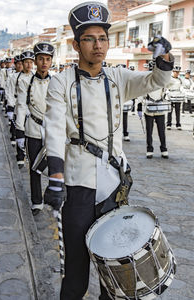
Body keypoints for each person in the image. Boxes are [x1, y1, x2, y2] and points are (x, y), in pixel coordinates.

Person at [43, 2, 174, 299]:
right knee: (76, 273)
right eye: (89, 39)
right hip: (77, 187)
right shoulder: (60, 83)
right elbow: (52, 130)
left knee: (114, 271)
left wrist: (164, 60)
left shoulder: (118, 78)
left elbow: (153, 81)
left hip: (115, 188)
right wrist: (56, 177)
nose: (98, 46)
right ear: (77, 45)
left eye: (102, 38)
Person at [16, 42, 54, 216]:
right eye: (40, 59)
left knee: (55, 166)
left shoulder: (57, 82)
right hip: (33, 128)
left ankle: (55, 196)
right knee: (34, 168)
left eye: (47, 59)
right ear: (36, 61)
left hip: (53, 130)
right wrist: (19, 129)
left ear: (51, 61)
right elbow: (22, 105)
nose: (44, 62)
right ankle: (37, 201)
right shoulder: (27, 82)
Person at [15, 50, 35, 168]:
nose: (28, 65)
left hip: (33, 112)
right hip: (21, 108)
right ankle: (20, 156)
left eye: (30, 62)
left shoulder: (35, 77)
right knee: (20, 131)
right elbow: (12, 93)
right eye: (26, 62)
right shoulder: (17, 77)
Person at [6, 55, 23, 146]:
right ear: (15, 65)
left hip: (25, 105)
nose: (20, 66)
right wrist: (10, 106)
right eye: (18, 64)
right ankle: (13, 136)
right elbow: (10, 91)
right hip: (15, 102)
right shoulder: (12, 76)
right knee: (15, 120)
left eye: (21, 64)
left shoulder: (31, 76)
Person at [166, 66, 184, 130]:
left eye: (178, 72)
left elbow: (181, 87)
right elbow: (166, 87)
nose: (177, 73)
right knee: (170, 111)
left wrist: (183, 92)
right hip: (170, 95)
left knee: (177, 111)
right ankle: (168, 124)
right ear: (173, 72)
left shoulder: (180, 80)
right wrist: (167, 92)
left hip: (178, 95)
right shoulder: (169, 79)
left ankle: (178, 124)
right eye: (176, 72)